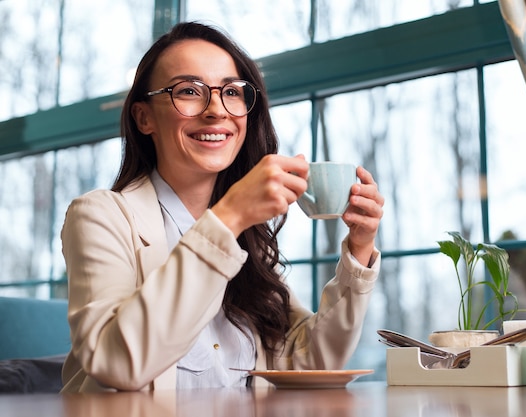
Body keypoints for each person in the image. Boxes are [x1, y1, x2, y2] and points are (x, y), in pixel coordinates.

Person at [60, 22, 384, 392]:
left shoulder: (248, 239)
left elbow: (307, 359)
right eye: (188, 91)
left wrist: (359, 250)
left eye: (231, 91)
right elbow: (116, 362)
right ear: (143, 117)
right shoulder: (98, 215)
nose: (216, 110)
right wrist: (231, 215)